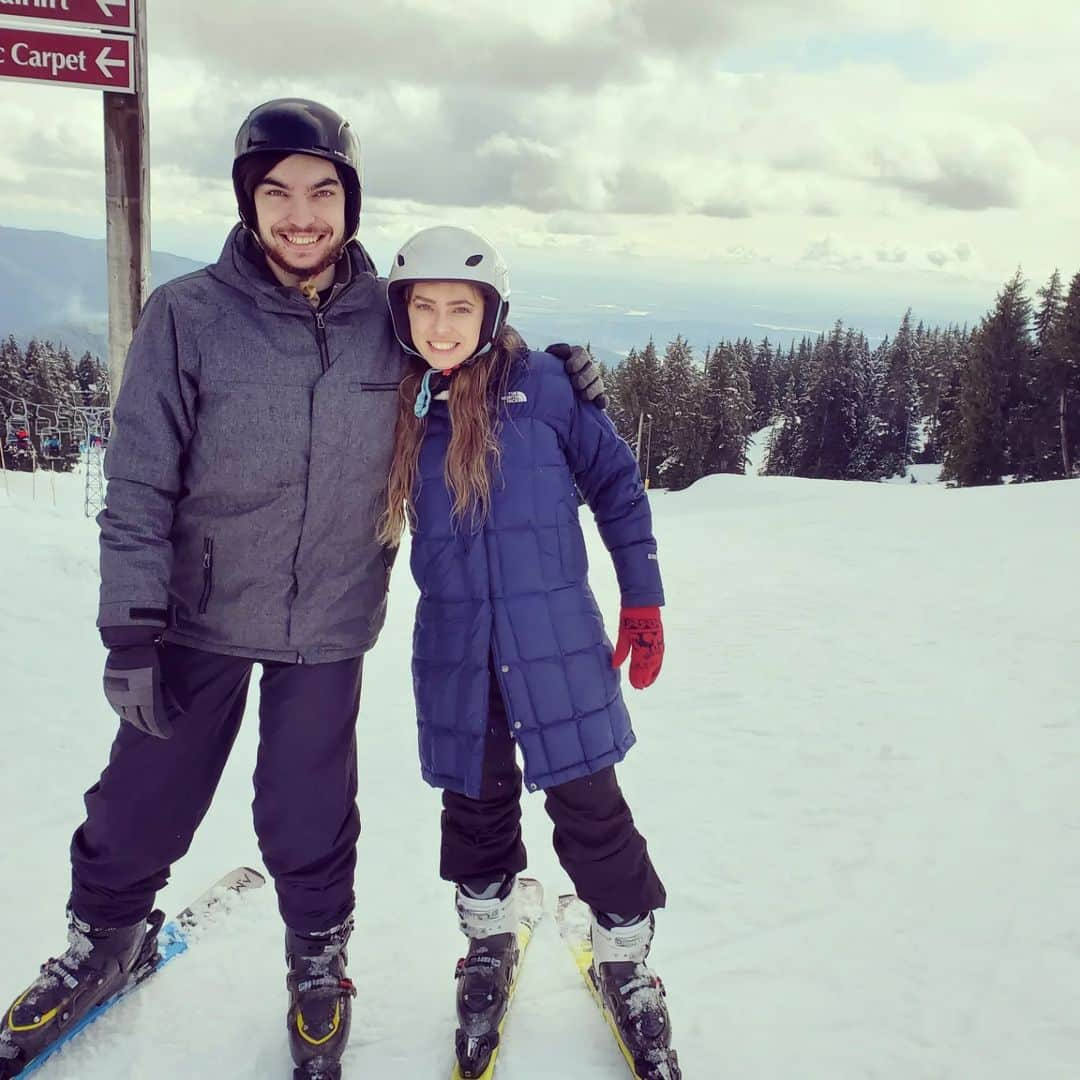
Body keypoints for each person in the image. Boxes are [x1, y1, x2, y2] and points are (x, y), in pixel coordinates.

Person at [0, 101, 604, 1080]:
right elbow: (142, 474)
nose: (301, 215)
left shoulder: (389, 318)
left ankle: (319, 955)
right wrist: (130, 625)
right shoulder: (187, 316)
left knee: (308, 803)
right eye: (277, 191)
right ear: (249, 201)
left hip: (329, 614)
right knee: (142, 794)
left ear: (348, 202)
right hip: (196, 611)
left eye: (323, 191)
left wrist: (555, 372)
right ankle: (101, 935)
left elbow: (468, 342)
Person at [379, 226, 680, 1080]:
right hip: (456, 646)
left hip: (555, 647)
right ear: (401, 316)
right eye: (424, 308)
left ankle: (626, 959)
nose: (442, 326)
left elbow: (617, 486)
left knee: (591, 811)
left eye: (460, 308)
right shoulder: (397, 400)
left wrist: (644, 595)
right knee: (474, 805)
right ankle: (486, 942)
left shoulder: (546, 387)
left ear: (492, 309)